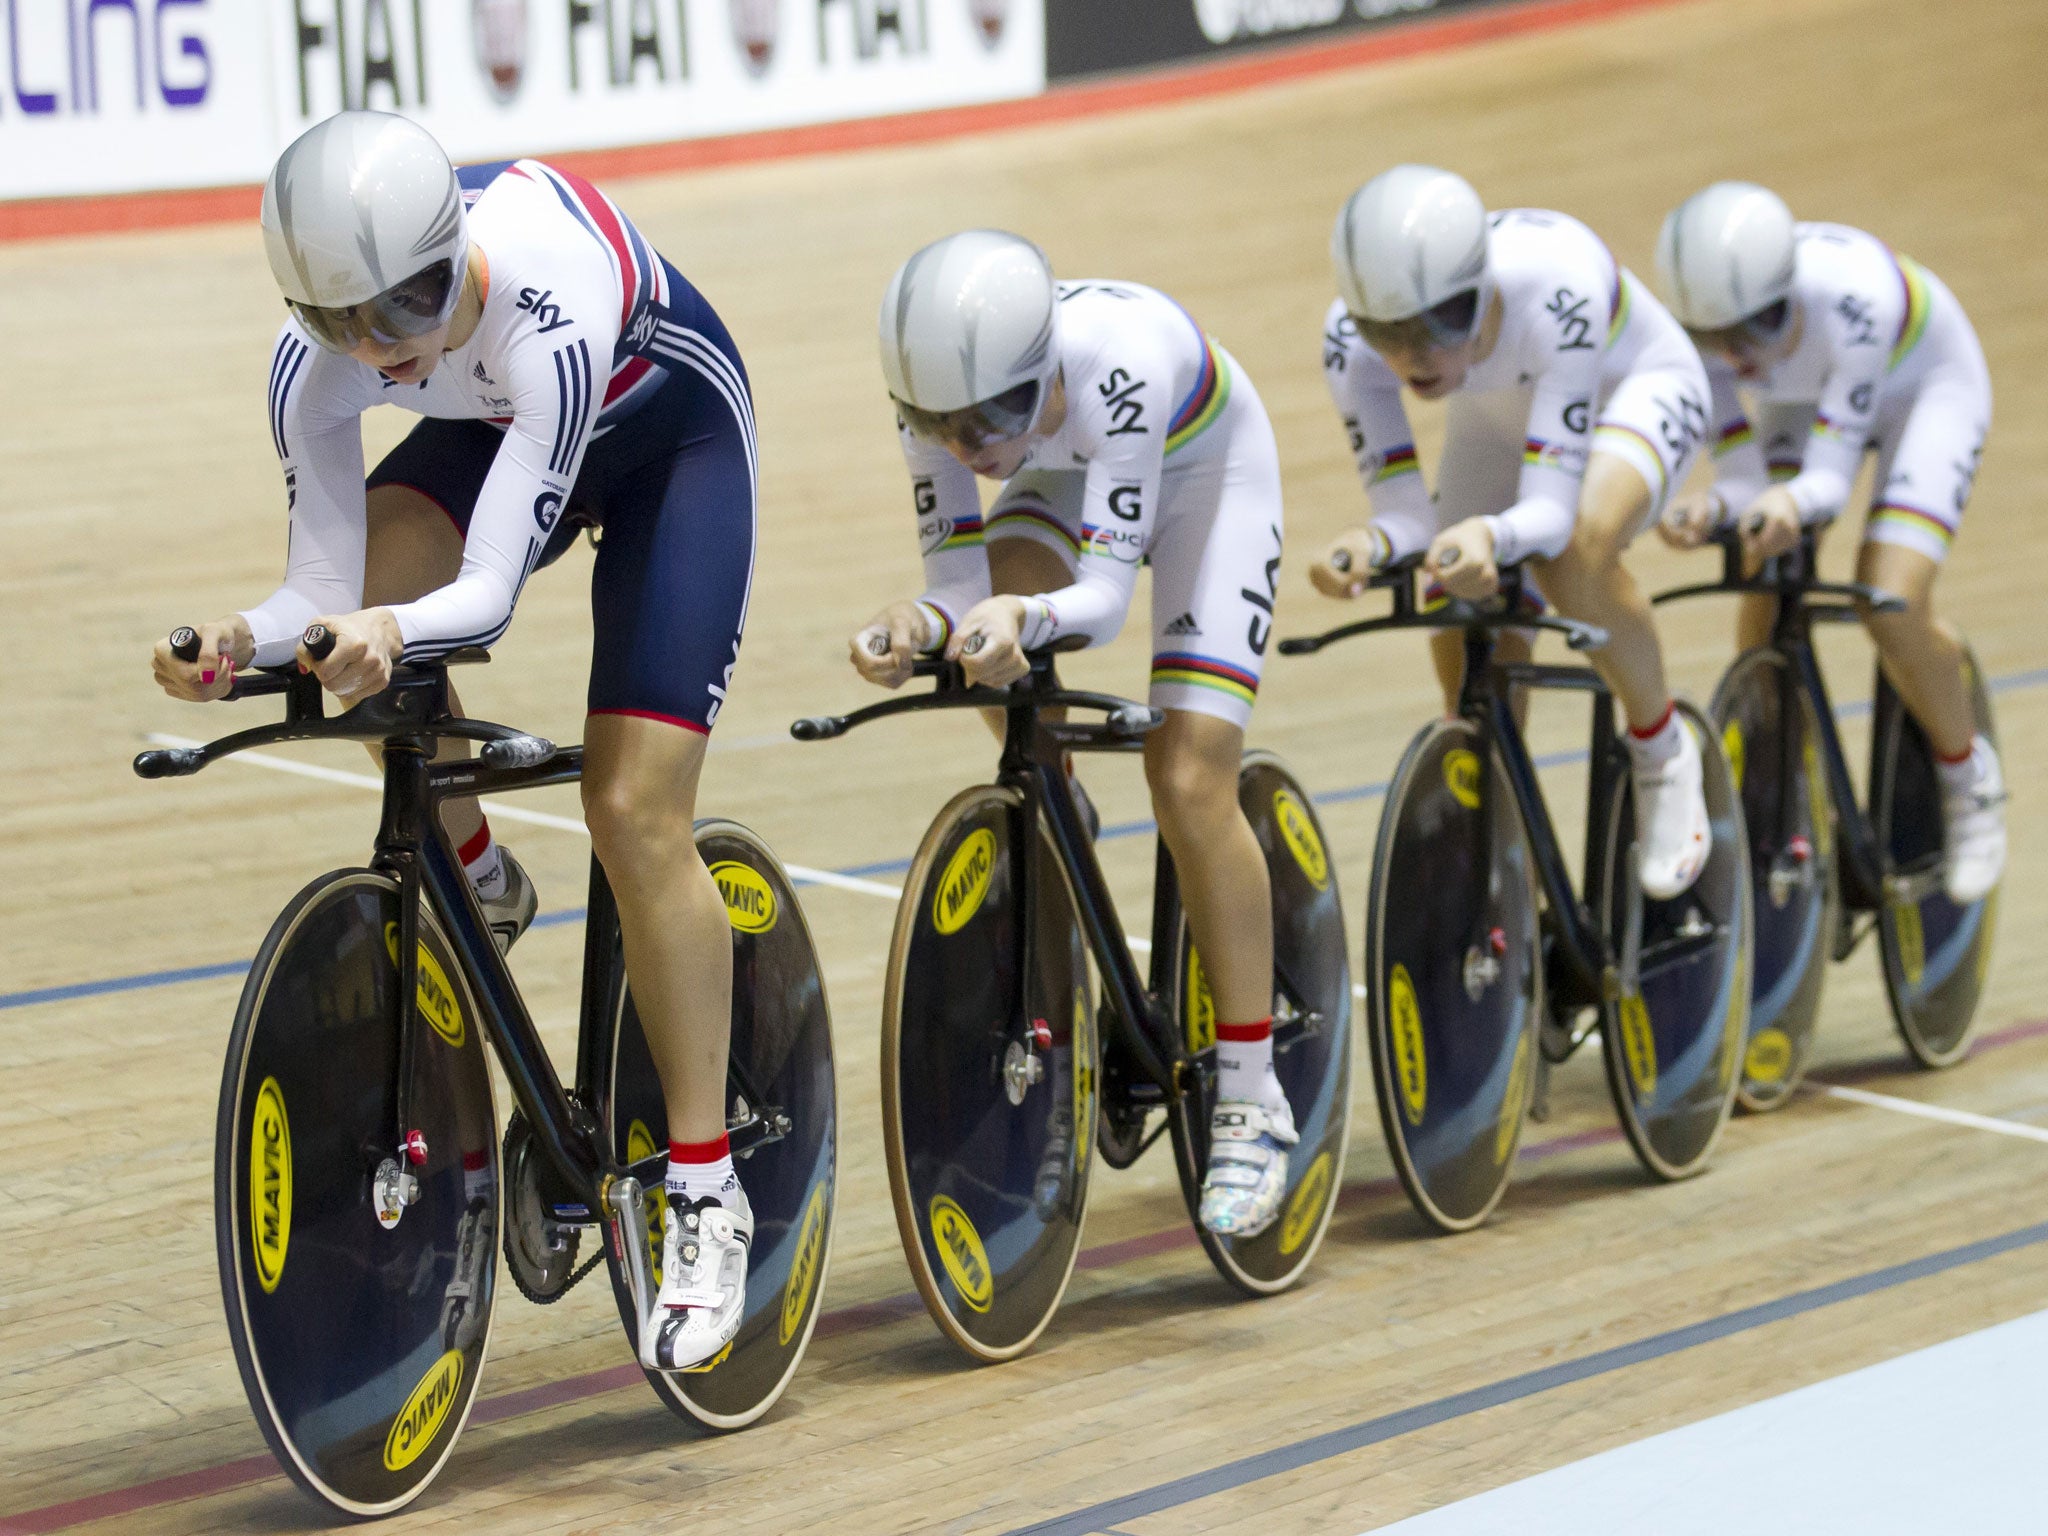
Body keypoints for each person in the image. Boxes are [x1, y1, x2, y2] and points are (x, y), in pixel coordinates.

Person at [148, 110, 755, 1372]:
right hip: (498, 435)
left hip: (666, 446)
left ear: (456, 246)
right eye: (348, 325)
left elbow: (483, 593)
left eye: (416, 299)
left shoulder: (546, 292)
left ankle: (706, 1186)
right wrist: (231, 641)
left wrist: (376, 627)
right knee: (350, 645)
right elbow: (317, 589)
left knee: (633, 813)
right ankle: (479, 870)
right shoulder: (314, 360)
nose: (387, 344)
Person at [850, 230, 1298, 1237]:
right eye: (943, 426)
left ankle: (1251, 1097)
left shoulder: (1117, 366)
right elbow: (957, 587)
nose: (972, 450)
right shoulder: (935, 399)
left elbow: (1097, 595)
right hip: (1069, 477)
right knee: (977, 636)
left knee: (1185, 778)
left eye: (992, 416)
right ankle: (1062, 803)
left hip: (1206, 482)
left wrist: (1020, 620)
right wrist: (910, 626)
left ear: (1043, 364)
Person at [1311, 165, 1714, 900]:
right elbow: (1407, 519)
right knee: (1455, 604)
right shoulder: (1349, 342)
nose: (1412, 358)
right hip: (1501, 419)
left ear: (1483, 286)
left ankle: (1663, 750)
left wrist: (1493, 539)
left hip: (1634, 390)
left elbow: (1551, 518)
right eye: (1388, 334)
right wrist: (1368, 548)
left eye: (1438, 324)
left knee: (1575, 554)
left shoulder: (1557, 289)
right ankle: (1497, 813)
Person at [1655, 182, 2004, 903]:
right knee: (1764, 568)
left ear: (1790, 293)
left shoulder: (1857, 301)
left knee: (1890, 600)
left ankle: (1968, 777)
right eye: (1716, 341)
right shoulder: (1702, 332)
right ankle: (1771, 772)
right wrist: (1709, 507)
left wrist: (1783, 500)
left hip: (1924, 392)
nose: (1738, 358)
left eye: (1758, 326)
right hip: (1804, 397)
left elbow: (1827, 482)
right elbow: (1748, 478)